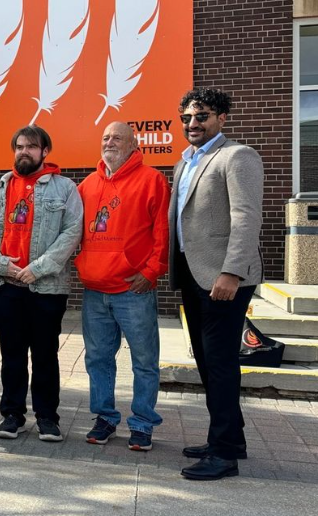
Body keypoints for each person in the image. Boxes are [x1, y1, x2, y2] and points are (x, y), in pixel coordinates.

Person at [169, 88, 263, 481]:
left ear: (222, 118)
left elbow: (246, 217)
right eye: (187, 118)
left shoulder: (237, 156)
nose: (193, 124)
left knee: (221, 363)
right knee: (208, 361)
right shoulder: (185, 162)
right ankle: (231, 437)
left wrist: (232, 272)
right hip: (194, 275)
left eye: (202, 116)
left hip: (223, 278)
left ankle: (224, 454)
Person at [0, 125, 82, 441]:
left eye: (31, 147)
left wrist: (38, 268)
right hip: (5, 285)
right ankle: (12, 416)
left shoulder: (65, 188)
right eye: (19, 146)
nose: (24, 151)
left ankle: (48, 418)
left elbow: (72, 232)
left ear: (44, 151)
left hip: (46, 288)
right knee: (12, 355)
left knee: (46, 355)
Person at [75, 122, 170, 451]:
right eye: (105, 138)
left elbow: (162, 232)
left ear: (133, 144)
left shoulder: (152, 180)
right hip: (94, 290)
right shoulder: (87, 184)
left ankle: (142, 423)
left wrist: (152, 270)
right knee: (98, 359)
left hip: (134, 290)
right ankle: (105, 418)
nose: (109, 142)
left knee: (144, 360)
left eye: (117, 138)